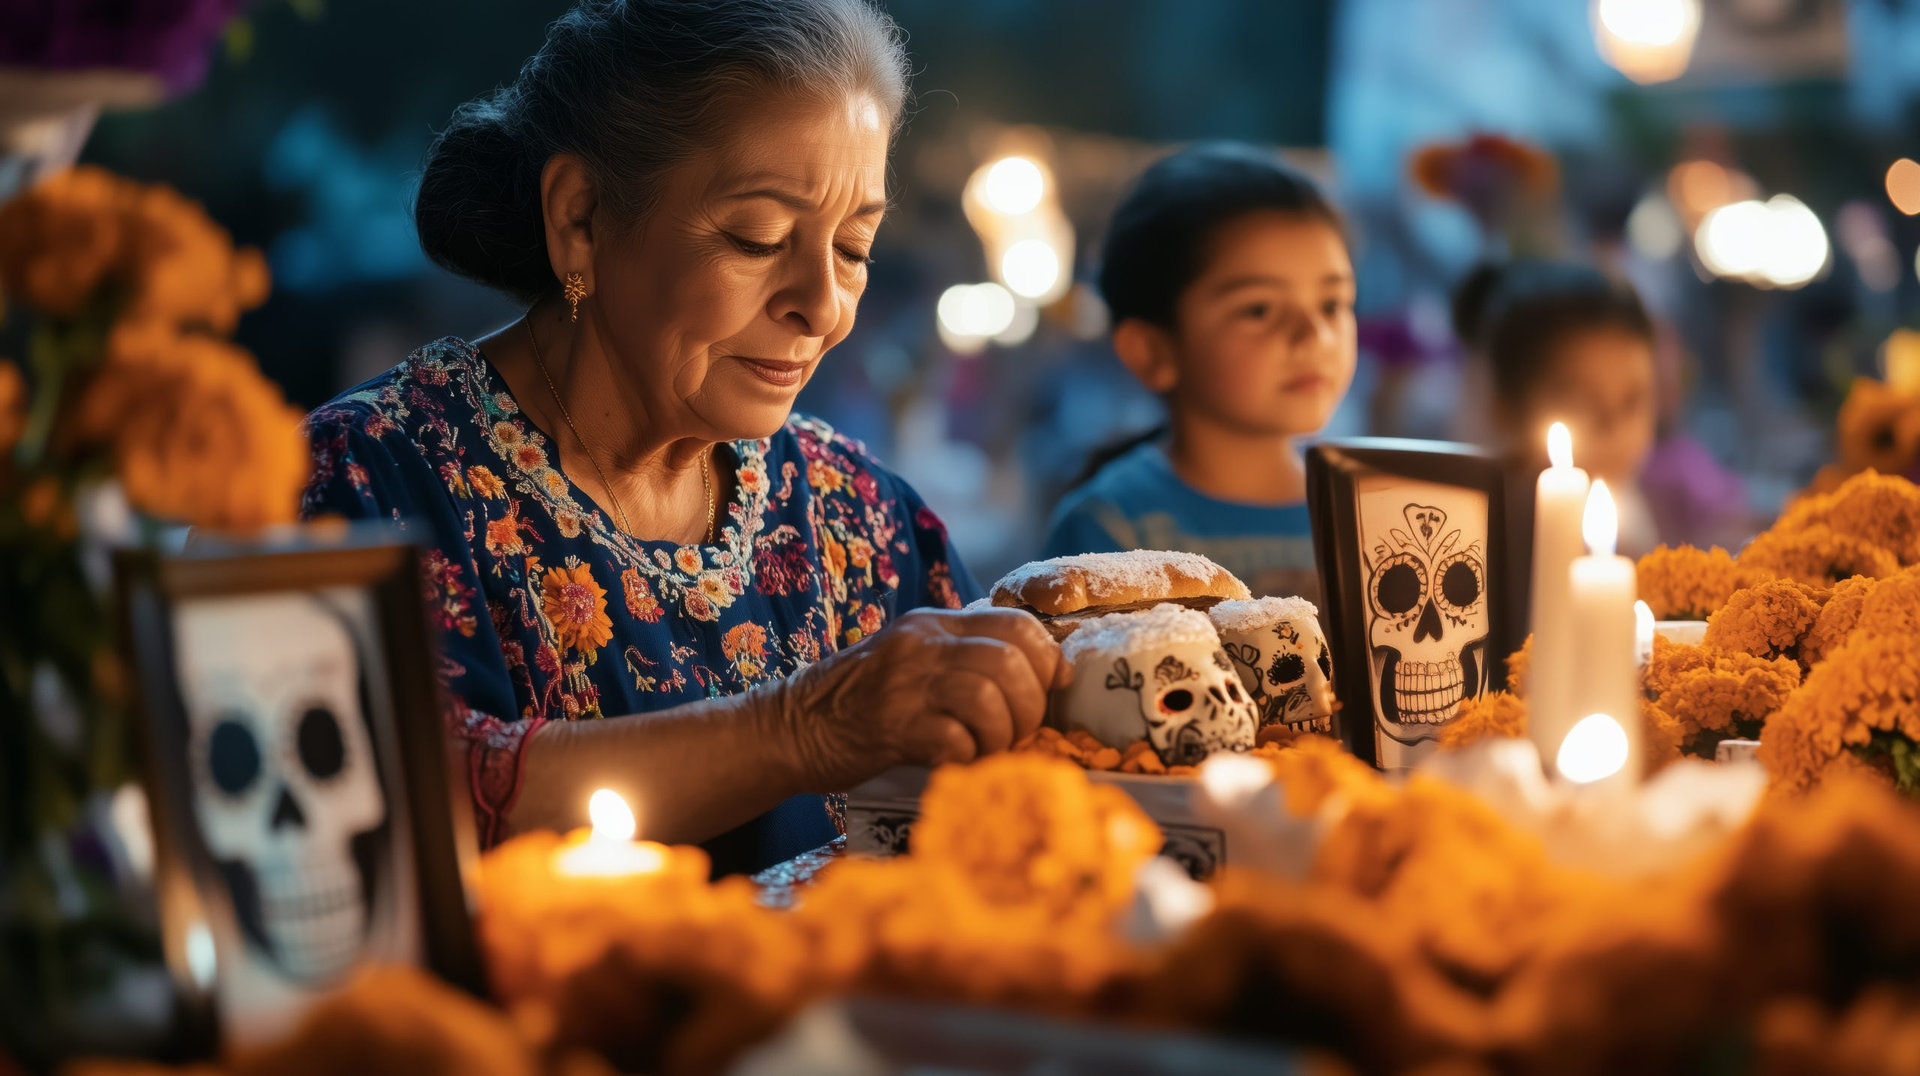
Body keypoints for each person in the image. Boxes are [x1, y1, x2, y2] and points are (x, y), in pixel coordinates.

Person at [300, 0, 1066, 876]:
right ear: (580, 218)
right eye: (758, 237)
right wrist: (803, 727)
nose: (821, 306)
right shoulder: (363, 484)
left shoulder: (863, 521)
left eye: (854, 248)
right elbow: (372, 813)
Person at [1041, 143, 1357, 601]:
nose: (1315, 335)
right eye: (1260, 309)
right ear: (1153, 352)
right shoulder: (1110, 531)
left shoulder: (1364, 512)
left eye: (1332, 304)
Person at [1451, 260, 1662, 558]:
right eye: (1583, 402)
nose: (1614, 427)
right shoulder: (1490, 542)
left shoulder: (1629, 509)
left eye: (1632, 400)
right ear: (1506, 407)